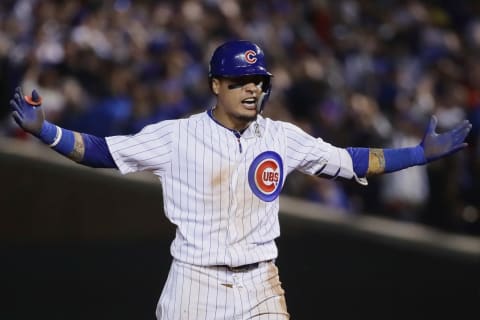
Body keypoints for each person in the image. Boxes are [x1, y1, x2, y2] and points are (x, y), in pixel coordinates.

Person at [9, 40, 472, 319]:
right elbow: (100, 152)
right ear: (216, 84)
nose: (252, 88)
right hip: (194, 284)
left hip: (260, 285)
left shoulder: (281, 137)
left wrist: (415, 154)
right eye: (240, 80)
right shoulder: (177, 136)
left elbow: (347, 161)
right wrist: (45, 131)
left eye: (258, 80)